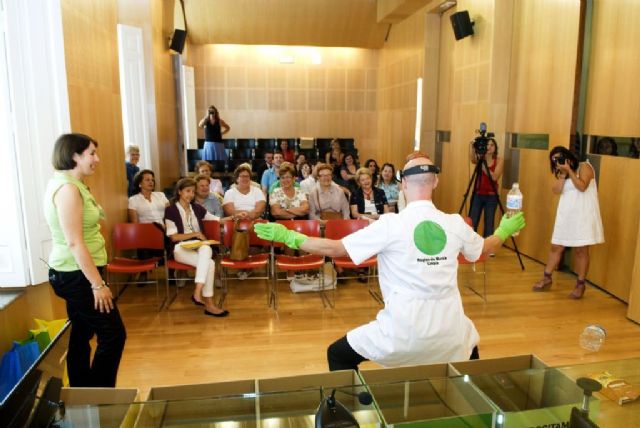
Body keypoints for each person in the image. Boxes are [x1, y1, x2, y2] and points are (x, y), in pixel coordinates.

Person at [254, 153, 526, 370]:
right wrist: (503, 231)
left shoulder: (389, 224)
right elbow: (483, 250)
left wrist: (289, 236)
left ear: (403, 184)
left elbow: (335, 249)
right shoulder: (455, 223)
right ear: (435, 182)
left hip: (402, 335)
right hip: (450, 334)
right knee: (468, 343)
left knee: (337, 354)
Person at [44, 133, 126, 387]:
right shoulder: (68, 189)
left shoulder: (73, 185)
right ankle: (99, 397)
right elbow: (74, 242)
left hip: (78, 273)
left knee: (81, 332)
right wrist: (98, 284)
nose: (97, 159)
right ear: (74, 156)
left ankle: (81, 393)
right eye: (91, 153)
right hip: (77, 275)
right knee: (113, 334)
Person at [532, 146, 604, 299]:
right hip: (566, 216)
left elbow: (582, 187)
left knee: (581, 250)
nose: (558, 162)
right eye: (555, 160)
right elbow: (556, 190)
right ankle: (547, 277)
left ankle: (580, 284)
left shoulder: (585, 167)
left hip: (583, 216)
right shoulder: (562, 174)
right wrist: (563, 174)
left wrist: (570, 171)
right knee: (556, 247)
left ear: (568, 156)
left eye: (560, 158)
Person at [165, 178, 229, 317]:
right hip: (180, 248)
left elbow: (217, 219)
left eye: (193, 192)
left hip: (199, 246)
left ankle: (198, 292)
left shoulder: (197, 208)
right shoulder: (171, 210)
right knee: (210, 263)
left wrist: (235, 217)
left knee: (206, 248)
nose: (191, 194)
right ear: (179, 192)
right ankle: (208, 304)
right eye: (188, 191)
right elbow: (174, 237)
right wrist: (196, 234)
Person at [468, 138, 504, 237]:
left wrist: (482, 163)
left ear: (495, 147)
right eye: (487, 145)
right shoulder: (480, 158)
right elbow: (473, 159)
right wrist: (473, 148)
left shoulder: (499, 160)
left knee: (489, 226)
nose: (489, 147)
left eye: (492, 145)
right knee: (472, 222)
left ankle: (487, 246)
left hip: (491, 197)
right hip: (477, 195)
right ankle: (471, 244)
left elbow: (494, 177)